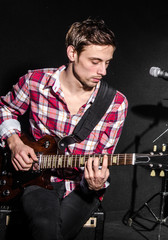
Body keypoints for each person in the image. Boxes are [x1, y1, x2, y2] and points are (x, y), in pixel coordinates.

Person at [0, 18, 128, 240]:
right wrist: (15, 143)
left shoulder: (116, 103)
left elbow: (103, 158)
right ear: (72, 53)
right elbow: (5, 109)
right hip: (37, 177)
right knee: (44, 225)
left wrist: (97, 181)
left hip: (82, 186)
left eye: (107, 62)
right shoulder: (35, 82)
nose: (103, 71)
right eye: (95, 61)